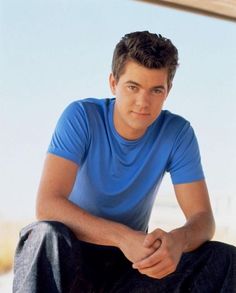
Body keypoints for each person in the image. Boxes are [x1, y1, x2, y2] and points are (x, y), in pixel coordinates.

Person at [13, 31, 236, 293]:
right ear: (113, 83)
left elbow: (203, 219)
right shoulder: (81, 116)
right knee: (44, 235)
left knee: (225, 259)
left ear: (168, 91)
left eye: (156, 90)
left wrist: (177, 241)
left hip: (130, 267)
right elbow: (47, 205)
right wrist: (123, 237)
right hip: (71, 259)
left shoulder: (177, 132)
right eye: (133, 87)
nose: (143, 102)